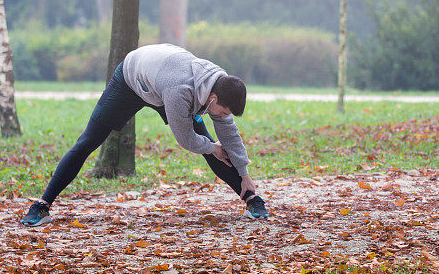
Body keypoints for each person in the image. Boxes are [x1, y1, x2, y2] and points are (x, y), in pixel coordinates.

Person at [20, 43, 268, 226]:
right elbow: (186, 140)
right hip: (131, 80)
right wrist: (213, 146)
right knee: (87, 142)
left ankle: (250, 199)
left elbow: (229, 133)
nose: (224, 117)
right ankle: (42, 205)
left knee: (212, 145)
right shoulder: (181, 91)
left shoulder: (219, 83)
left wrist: (244, 173)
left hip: (162, 80)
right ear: (212, 99)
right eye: (223, 112)